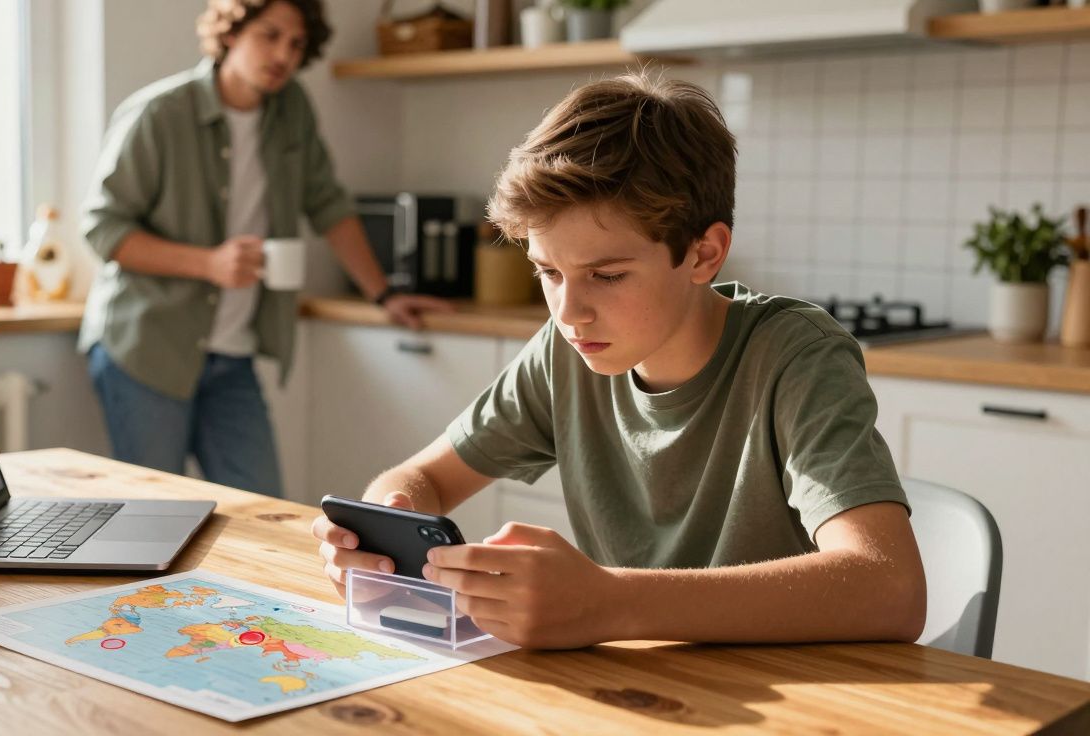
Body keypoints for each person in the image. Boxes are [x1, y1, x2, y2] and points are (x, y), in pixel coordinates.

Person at [312, 75, 927, 649]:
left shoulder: (796, 357)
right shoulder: (565, 353)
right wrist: (383, 530)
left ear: (703, 254)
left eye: (606, 276)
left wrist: (610, 602)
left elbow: (889, 589)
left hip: (805, 693)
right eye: (548, 272)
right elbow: (424, 479)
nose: (569, 312)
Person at [78, 0, 450, 496]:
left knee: (263, 506)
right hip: (147, 346)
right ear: (231, 32)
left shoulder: (291, 109)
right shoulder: (161, 113)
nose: (283, 55)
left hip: (234, 355)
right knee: (153, 511)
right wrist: (209, 264)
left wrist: (382, 294)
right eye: (269, 35)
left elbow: (327, 204)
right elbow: (103, 229)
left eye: (296, 44)